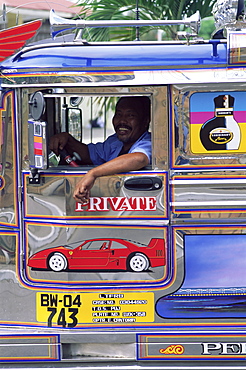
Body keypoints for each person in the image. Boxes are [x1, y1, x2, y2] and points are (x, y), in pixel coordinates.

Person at [49, 96, 151, 204]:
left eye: (130, 115)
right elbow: (89, 154)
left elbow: (139, 158)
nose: (122, 121)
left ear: (145, 121)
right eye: (118, 114)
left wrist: (92, 174)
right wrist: (67, 139)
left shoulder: (148, 141)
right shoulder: (115, 142)